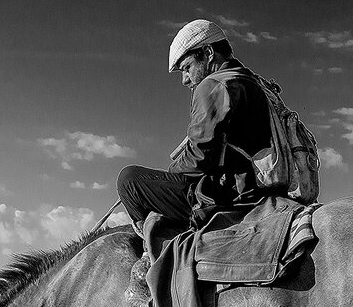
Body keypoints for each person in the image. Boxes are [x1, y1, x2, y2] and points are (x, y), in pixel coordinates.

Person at [117, 19, 275, 234]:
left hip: (226, 197)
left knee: (129, 180)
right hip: (257, 189)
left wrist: (170, 174)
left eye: (187, 68)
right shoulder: (252, 82)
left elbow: (200, 158)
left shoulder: (213, 85)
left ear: (208, 53)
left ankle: (150, 252)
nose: (185, 79)